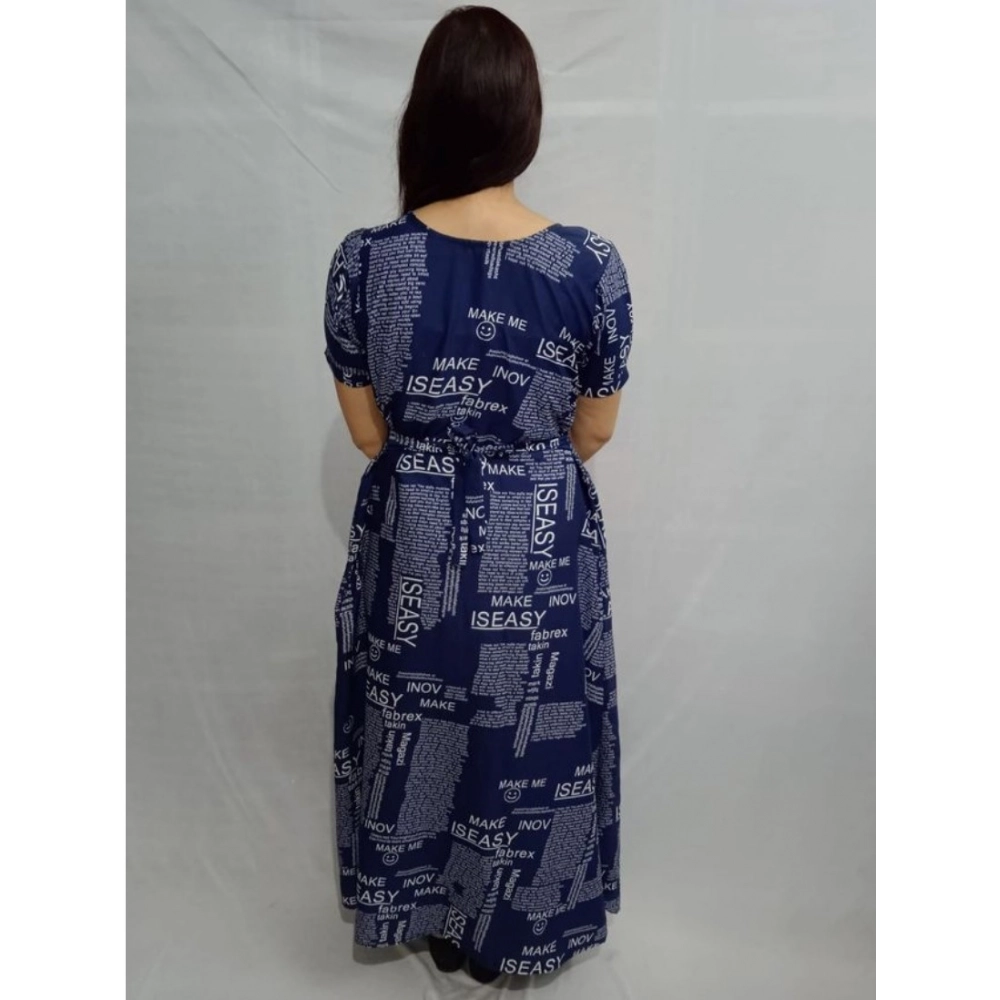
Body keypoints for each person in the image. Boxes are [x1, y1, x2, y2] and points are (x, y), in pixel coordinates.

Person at [323, 5, 633, 985]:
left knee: (416, 730)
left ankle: (432, 914)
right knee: (525, 733)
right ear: (522, 117)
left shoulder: (365, 261)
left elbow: (367, 433)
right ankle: (517, 928)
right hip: (536, 534)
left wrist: (437, 466)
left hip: (414, 536)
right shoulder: (589, 266)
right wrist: (519, 460)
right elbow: (595, 431)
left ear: (425, 115)